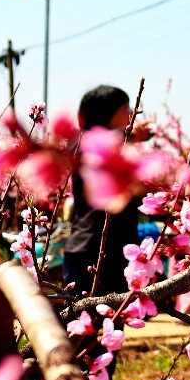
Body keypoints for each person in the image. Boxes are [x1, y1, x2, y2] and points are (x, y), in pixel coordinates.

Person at [62, 86, 142, 297]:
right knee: (82, 323)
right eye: (126, 107)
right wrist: (127, 135)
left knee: (112, 324)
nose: (131, 113)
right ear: (107, 112)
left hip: (117, 249)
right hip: (89, 249)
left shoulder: (122, 148)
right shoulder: (84, 146)